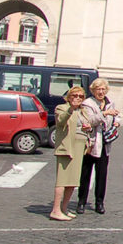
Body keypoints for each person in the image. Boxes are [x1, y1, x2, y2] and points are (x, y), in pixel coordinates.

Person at [77, 78, 120, 215]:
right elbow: (90, 120)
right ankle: (81, 202)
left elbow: (116, 117)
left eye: (103, 89)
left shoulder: (109, 102)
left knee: (102, 175)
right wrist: (105, 114)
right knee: (85, 174)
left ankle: (99, 202)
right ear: (93, 90)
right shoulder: (87, 104)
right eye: (98, 89)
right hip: (91, 143)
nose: (101, 92)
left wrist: (116, 121)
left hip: (105, 144)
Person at [50, 86, 91, 221]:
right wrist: (70, 109)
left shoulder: (83, 111)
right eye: (74, 95)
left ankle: (64, 208)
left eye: (80, 96)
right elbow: (61, 121)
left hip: (80, 146)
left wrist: (88, 128)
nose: (77, 98)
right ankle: (55, 210)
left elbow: (85, 126)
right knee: (62, 180)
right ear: (69, 96)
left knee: (72, 181)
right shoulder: (61, 108)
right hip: (67, 147)